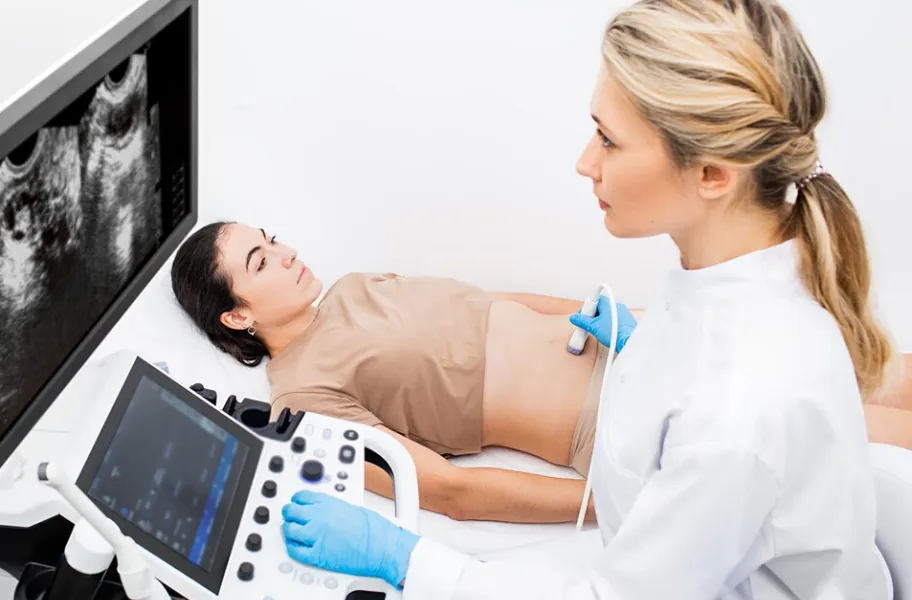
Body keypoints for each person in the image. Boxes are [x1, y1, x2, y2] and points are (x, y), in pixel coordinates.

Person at [273, 0, 908, 597]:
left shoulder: (737, 410)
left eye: (608, 139)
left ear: (714, 173)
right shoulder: (734, 281)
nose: (585, 162)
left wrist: (405, 558)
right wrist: (643, 352)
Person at [170, 219, 912, 525]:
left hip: (641, 347)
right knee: (855, 430)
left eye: (271, 239)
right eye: (260, 261)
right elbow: (445, 489)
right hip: (610, 418)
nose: (286, 252)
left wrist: (634, 324)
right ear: (236, 315)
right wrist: (601, 504)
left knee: (870, 370)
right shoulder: (302, 397)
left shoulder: (356, 286)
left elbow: (494, 304)